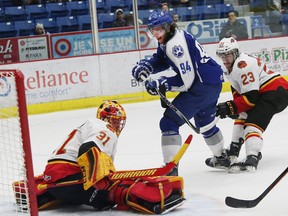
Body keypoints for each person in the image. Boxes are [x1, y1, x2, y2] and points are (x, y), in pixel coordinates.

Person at [13, 101, 185, 214]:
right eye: (115, 120)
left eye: (119, 122)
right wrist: (98, 181)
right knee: (115, 187)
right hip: (70, 177)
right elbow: (88, 148)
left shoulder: (89, 126)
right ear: (105, 118)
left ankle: (41, 195)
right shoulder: (105, 128)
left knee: (104, 181)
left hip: (55, 181)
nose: (117, 125)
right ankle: (154, 199)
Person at [131, 11, 227, 175]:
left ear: (168, 27)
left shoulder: (176, 46)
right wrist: (148, 66)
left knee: (169, 123)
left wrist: (163, 83)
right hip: (212, 82)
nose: (155, 33)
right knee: (205, 125)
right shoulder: (171, 38)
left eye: (159, 29)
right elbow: (162, 59)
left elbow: (186, 82)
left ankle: (170, 168)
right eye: (153, 30)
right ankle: (222, 157)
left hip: (201, 86)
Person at [215, 37, 288, 173]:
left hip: (274, 93)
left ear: (235, 53)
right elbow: (240, 93)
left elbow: (250, 99)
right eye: (222, 55)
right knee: (242, 115)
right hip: (266, 92)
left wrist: (230, 107)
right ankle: (233, 152)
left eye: (228, 55)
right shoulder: (230, 67)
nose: (225, 59)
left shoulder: (243, 65)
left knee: (252, 125)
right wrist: (234, 107)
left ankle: (252, 157)